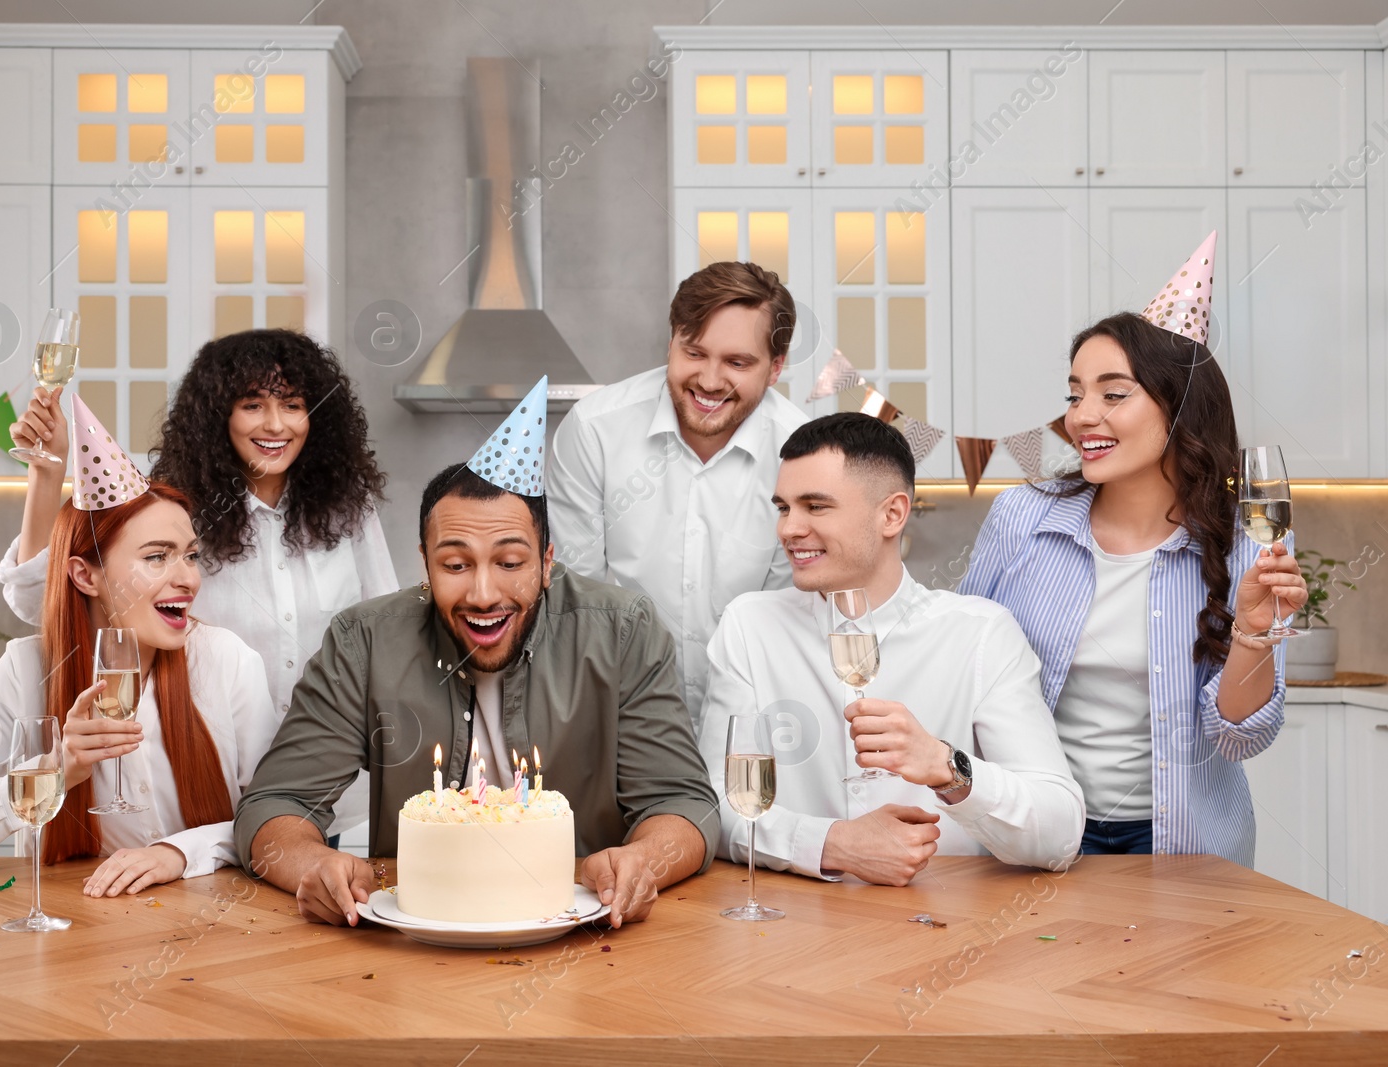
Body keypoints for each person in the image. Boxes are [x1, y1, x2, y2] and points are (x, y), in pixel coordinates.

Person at [235, 381, 719, 928]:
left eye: (511, 562)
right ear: (424, 561)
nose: (483, 594)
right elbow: (274, 804)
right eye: (456, 564)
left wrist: (642, 860)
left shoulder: (623, 630)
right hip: (412, 942)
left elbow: (684, 804)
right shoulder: (364, 639)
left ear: (548, 560)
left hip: (582, 936)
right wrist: (313, 863)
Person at [958, 233, 1304, 865]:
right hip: (1033, 829)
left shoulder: (1248, 539)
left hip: (1182, 844)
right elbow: (957, 669)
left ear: (1180, 409)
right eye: (1074, 394)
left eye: (1113, 394)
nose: (1082, 415)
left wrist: (1255, 633)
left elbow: (1240, 737)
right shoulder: (1022, 517)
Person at [0, 329, 396, 837]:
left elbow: (383, 629)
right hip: (211, 792)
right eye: (252, 405)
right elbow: (41, 600)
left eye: (293, 405)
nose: (276, 424)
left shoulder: (349, 510)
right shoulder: (172, 510)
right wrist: (46, 472)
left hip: (339, 790)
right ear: (218, 415)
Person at [699, 413, 1083, 885]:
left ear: (893, 514)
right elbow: (712, 806)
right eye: (784, 507)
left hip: (947, 923)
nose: (789, 529)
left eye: (815, 506)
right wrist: (833, 843)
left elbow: (1061, 837)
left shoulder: (981, 633)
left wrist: (949, 769)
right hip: (793, 926)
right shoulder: (749, 625)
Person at [0, 419, 277, 894]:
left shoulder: (226, 661)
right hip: (72, 927)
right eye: (157, 557)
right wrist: (53, 774)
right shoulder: (26, 670)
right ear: (85, 576)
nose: (187, 579)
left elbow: (275, 817)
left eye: (190, 555)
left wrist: (178, 853)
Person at [547, 261, 808, 723]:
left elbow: (785, 617)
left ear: (775, 369)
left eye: (737, 362)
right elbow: (578, 598)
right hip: (619, 710)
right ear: (671, 342)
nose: (709, 381)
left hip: (753, 716)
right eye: (694, 353)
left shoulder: (802, 452)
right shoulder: (594, 429)